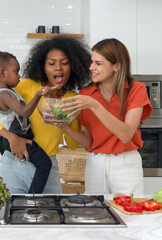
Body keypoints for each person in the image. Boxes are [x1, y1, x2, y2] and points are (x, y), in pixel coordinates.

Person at [0, 37, 91, 193]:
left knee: (51, 215)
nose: (58, 68)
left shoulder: (72, 98)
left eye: (65, 63)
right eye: (52, 63)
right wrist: (11, 137)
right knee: (13, 214)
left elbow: (73, 145)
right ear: (43, 66)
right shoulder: (25, 85)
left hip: (48, 168)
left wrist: (70, 122)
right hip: (16, 164)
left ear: (73, 66)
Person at [53, 38, 153, 195]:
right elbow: (88, 140)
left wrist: (94, 105)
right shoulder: (86, 93)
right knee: (96, 213)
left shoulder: (136, 90)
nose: (91, 68)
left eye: (98, 63)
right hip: (95, 163)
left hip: (126, 164)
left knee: (129, 216)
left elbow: (126, 134)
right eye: (92, 62)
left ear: (117, 66)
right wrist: (64, 127)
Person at [0, 51, 52, 193]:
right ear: (2, 73)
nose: (19, 76)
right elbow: (24, 112)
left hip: (6, 138)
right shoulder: (4, 94)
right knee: (45, 164)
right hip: (20, 138)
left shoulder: (1, 91)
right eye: (16, 71)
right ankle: (33, 198)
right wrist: (38, 94)